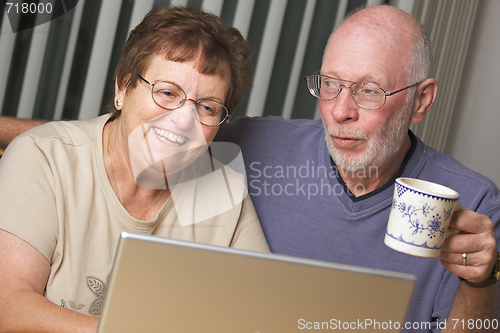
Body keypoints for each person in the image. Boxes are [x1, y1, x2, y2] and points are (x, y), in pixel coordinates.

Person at [216, 5, 499, 332]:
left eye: (368, 90)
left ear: (420, 102)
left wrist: (480, 283)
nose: (339, 111)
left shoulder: (477, 206)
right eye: (330, 84)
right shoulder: (249, 145)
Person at [0, 5, 269, 333]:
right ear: (123, 87)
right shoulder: (44, 158)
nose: (183, 121)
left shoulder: (223, 193)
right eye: (168, 93)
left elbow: (265, 317)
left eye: (207, 107)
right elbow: (9, 307)